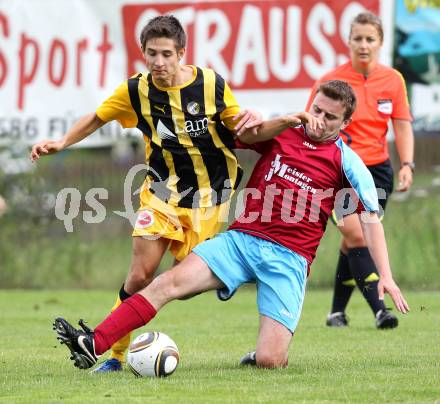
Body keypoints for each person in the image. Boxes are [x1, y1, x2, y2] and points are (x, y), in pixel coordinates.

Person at [53, 80, 409, 370]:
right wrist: (252, 118)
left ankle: (260, 356)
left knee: (271, 361)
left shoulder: (348, 162)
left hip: (289, 259)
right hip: (241, 241)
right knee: (168, 284)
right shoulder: (283, 131)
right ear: (310, 103)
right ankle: (93, 342)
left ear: (345, 124)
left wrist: (387, 277)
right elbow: (236, 132)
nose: (319, 119)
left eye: (330, 117)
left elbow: (370, 220)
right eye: (316, 109)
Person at [31, 15, 259, 372]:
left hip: (209, 198)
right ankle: (115, 355)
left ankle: (225, 276)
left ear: (182, 52)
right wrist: (62, 141)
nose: (158, 62)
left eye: (167, 53)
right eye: (151, 53)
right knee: (140, 276)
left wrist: (254, 121)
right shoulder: (136, 90)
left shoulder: (212, 85)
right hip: (160, 193)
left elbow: (239, 125)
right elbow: (97, 117)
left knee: (183, 282)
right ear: (143, 52)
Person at [306, 12, 414, 330]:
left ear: (380, 43)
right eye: (358, 38)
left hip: (378, 171)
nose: (364, 45)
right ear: (349, 41)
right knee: (356, 234)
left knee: (352, 242)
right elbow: (312, 123)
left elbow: (403, 126)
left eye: (370, 39)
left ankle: (336, 312)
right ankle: (380, 309)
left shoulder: (392, 80)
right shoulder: (331, 81)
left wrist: (407, 164)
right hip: (339, 171)